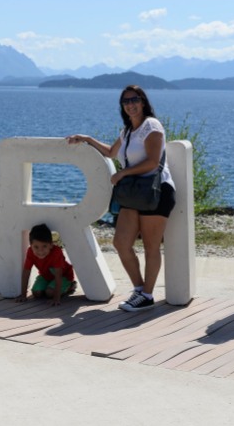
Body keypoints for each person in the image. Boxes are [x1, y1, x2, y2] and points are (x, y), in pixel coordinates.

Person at [66, 85, 176, 312]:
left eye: (134, 99)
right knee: (121, 242)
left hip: (156, 192)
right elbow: (111, 152)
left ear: (143, 102)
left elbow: (153, 162)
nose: (130, 104)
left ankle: (147, 294)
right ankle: (139, 289)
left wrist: (123, 173)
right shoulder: (127, 132)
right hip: (135, 193)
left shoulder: (151, 126)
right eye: (125, 101)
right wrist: (86, 138)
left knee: (150, 246)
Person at [15, 223, 77, 306]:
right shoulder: (30, 252)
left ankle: (71, 285)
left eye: (44, 246)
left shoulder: (56, 252)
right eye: (36, 247)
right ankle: (49, 286)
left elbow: (58, 275)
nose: (40, 251)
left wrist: (56, 298)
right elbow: (26, 272)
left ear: (51, 245)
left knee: (50, 293)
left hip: (64, 276)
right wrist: (23, 295)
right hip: (46, 276)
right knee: (36, 293)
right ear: (31, 246)